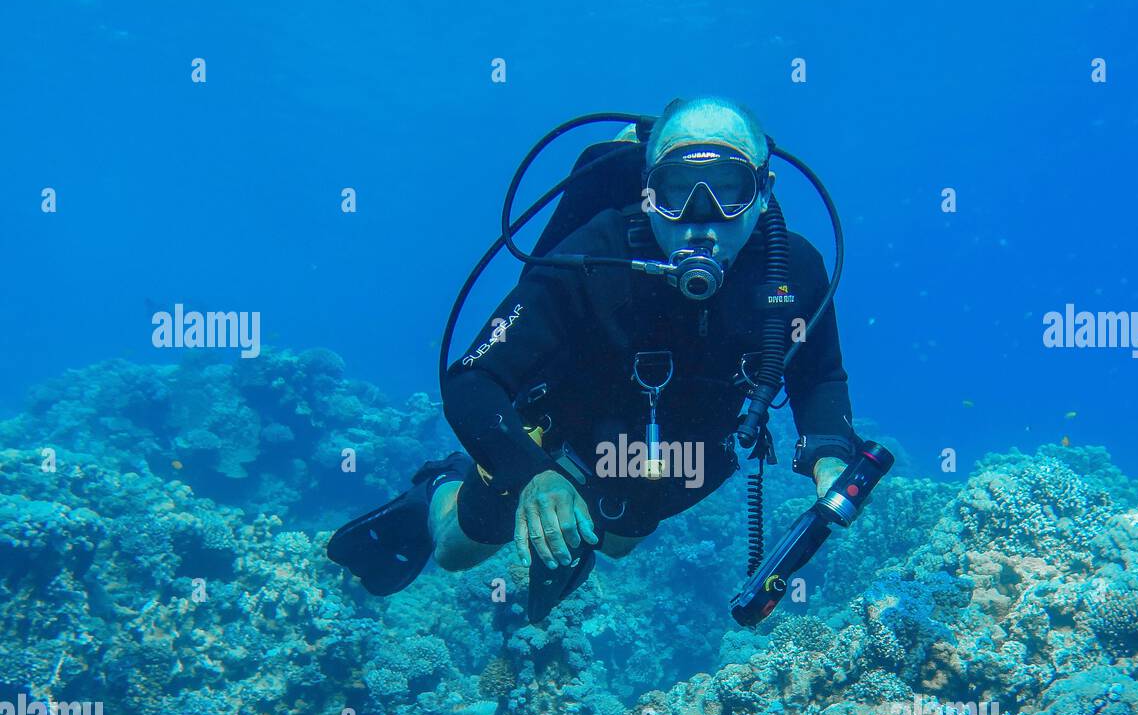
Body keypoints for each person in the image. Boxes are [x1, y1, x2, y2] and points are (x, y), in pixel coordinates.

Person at [329, 96, 858, 614]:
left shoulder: (795, 270)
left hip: (678, 447)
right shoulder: (594, 254)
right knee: (456, 551)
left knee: (619, 542)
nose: (702, 220)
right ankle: (441, 483)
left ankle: (578, 531)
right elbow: (473, 379)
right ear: (648, 192)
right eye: (677, 191)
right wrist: (532, 474)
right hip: (561, 434)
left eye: (729, 189)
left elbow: (820, 375)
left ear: (763, 192)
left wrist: (829, 455)